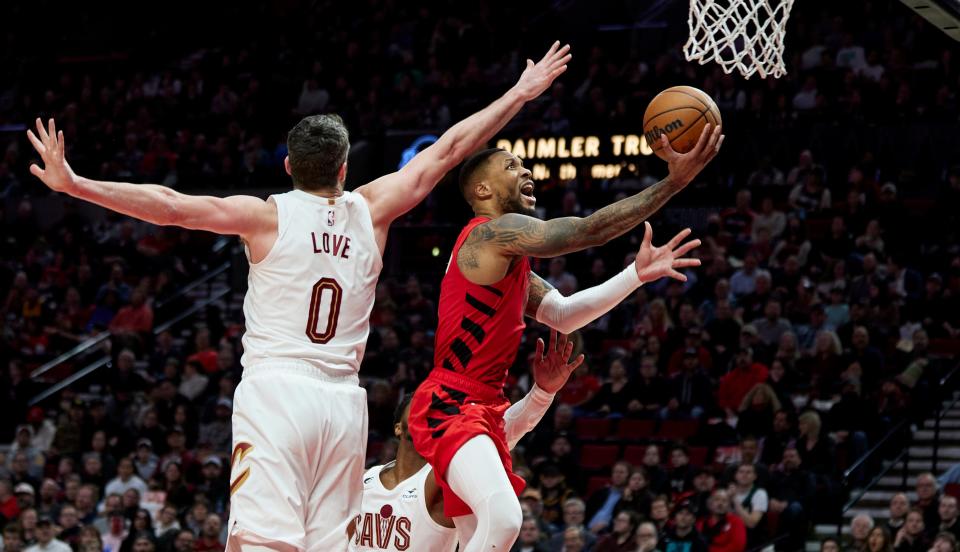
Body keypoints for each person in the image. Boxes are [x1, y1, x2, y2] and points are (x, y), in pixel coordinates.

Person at [27, 42, 572, 552]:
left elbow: (169, 205)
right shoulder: (372, 209)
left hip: (277, 395)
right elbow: (451, 149)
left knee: (259, 543)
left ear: (289, 167)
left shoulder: (266, 217)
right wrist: (520, 92)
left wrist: (77, 185)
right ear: (344, 167)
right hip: (342, 403)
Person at [408, 120, 724, 551]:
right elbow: (583, 231)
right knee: (502, 520)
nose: (525, 171)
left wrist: (636, 274)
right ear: (482, 191)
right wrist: (672, 183)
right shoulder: (488, 233)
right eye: (511, 165)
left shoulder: (507, 260)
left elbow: (563, 314)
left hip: (483, 404)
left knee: (470, 537)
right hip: (452, 401)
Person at [349, 330, 581, 551]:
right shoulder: (365, 478)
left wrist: (542, 393)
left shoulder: (442, 477)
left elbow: (504, 431)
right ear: (399, 428)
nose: (427, 409)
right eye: (419, 405)